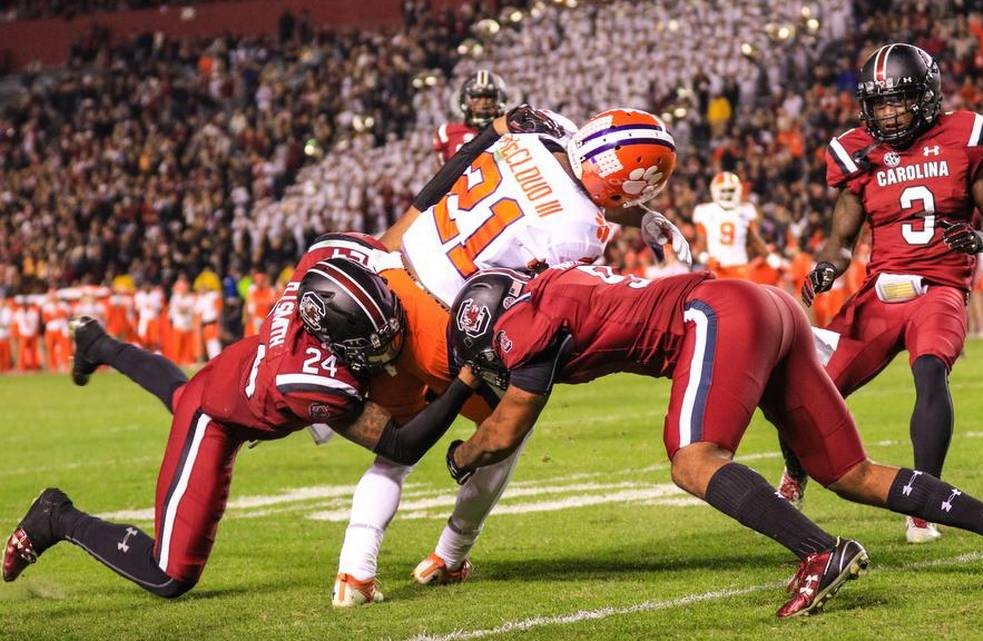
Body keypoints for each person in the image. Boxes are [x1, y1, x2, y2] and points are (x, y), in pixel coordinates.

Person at [410, 265, 983, 619]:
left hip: (715, 314)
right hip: (767, 307)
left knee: (693, 461)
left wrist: (461, 456)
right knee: (851, 472)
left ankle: (819, 553)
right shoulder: (549, 287)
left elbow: (509, 425)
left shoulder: (526, 319)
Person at [332, 105, 693, 604]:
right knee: (510, 426)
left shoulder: (530, 141)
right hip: (446, 328)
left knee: (396, 447)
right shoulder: (579, 231)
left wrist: (640, 215)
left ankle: (355, 571)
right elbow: (542, 303)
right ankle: (451, 553)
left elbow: (570, 167)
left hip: (390, 287)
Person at [1, 246, 480, 598]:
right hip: (217, 419)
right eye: (366, 339)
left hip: (235, 368)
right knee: (170, 574)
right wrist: (462, 382)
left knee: (184, 388)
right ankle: (57, 517)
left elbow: (390, 240)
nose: (385, 344)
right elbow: (400, 445)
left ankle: (96, 344)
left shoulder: (325, 263)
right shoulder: (313, 381)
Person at [789, 43, 983, 544]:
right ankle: (795, 475)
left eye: (899, 101)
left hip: (940, 286)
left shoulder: (967, 135)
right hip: (880, 291)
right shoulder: (856, 152)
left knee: (931, 374)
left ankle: (923, 507)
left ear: (928, 96)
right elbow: (841, 244)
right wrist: (825, 270)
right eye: (880, 104)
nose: (889, 113)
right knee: (810, 383)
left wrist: (980, 238)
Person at [692, 171, 767, 279]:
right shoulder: (704, 211)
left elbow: (754, 240)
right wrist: (706, 258)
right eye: (723, 190)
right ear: (715, 191)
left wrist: (769, 257)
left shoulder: (746, 210)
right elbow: (698, 250)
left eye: (731, 190)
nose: (727, 194)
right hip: (717, 268)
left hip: (740, 266)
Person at [433, 70, 510, 165]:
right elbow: (441, 174)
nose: (483, 102)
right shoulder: (447, 132)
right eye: (475, 96)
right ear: (465, 99)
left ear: (499, 99)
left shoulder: (511, 131)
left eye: (489, 96)